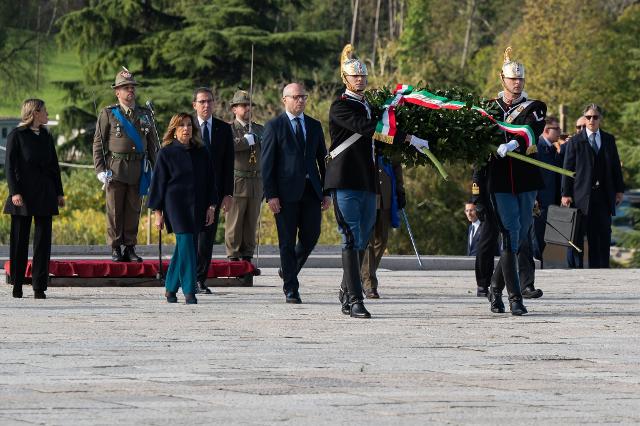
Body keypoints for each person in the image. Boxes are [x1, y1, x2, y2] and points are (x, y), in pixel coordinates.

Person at [325, 44, 428, 318]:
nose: (359, 79)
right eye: (354, 76)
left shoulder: (370, 107)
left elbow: (378, 143)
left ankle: (348, 291)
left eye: (362, 76)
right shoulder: (341, 106)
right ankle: (356, 299)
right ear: (345, 79)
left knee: (362, 238)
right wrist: (405, 137)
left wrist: (410, 142)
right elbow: (368, 130)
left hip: (368, 181)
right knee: (350, 237)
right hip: (346, 179)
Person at [485, 47, 547, 316]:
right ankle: (515, 297)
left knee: (519, 238)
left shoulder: (535, 107)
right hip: (499, 181)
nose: (517, 83)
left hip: (524, 180)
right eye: (512, 79)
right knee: (510, 235)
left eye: (520, 79)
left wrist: (514, 142)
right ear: (503, 80)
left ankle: (495, 289)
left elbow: (533, 129)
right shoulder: (489, 107)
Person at [261, 82, 330, 304]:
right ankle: (291, 287)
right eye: (296, 97)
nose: (300, 100)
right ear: (285, 100)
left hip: (311, 191)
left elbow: (323, 160)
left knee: (311, 236)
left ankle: (288, 269)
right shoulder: (274, 126)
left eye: (303, 96)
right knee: (287, 241)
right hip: (284, 194)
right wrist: (271, 194)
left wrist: (327, 191)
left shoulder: (314, 125)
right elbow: (267, 164)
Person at [148, 113, 216, 304]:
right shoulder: (166, 152)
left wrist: (211, 207)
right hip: (175, 206)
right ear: (174, 129)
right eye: (181, 126)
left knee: (184, 247)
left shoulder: (202, 152)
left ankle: (170, 288)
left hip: (198, 205)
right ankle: (189, 290)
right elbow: (158, 185)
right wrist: (158, 213)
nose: (186, 129)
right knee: (187, 243)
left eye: (189, 125)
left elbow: (211, 182)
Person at [93, 67, 157, 263]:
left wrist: (158, 171)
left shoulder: (146, 114)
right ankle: (115, 247)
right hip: (116, 168)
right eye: (125, 87)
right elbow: (98, 142)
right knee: (114, 210)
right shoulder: (109, 113)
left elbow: (153, 144)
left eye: (132, 87)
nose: (130, 90)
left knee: (133, 209)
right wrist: (100, 170)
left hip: (138, 168)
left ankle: (130, 246)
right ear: (117, 92)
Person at [4, 99, 64, 299]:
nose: (47, 113)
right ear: (35, 113)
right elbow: (10, 167)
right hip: (23, 194)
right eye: (45, 111)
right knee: (20, 240)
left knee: (42, 242)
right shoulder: (17, 135)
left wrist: (59, 193)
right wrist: (15, 192)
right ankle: (17, 284)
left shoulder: (46, 136)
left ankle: (39, 286)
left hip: (45, 194)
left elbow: (54, 166)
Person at [561, 104, 624, 268]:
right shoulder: (575, 141)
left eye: (595, 117)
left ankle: (601, 269)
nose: (591, 120)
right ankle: (577, 270)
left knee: (602, 235)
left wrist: (619, 190)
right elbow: (567, 169)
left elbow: (616, 166)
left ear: (599, 119)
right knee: (577, 237)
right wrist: (565, 193)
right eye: (588, 117)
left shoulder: (609, 139)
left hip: (603, 196)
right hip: (581, 196)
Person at [192, 87, 234, 294]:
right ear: (195, 105)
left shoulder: (223, 129)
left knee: (206, 238)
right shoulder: (186, 127)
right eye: (202, 102)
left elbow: (228, 164)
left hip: (213, 194)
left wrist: (228, 194)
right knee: (189, 237)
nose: (206, 105)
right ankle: (187, 277)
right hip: (189, 193)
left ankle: (200, 279)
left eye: (209, 101)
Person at [225, 90, 264, 284]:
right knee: (234, 224)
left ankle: (247, 261)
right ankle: (233, 259)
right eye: (243, 105)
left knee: (250, 225)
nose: (247, 108)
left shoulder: (259, 129)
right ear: (234, 109)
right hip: (237, 182)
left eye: (249, 105)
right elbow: (226, 148)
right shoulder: (229, 129)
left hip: (256, 182)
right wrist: (243, 141)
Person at [360, 155, 405, 299]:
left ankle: (365, 272)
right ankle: (369, 283)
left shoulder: (388, 136)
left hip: (386, 195)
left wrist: (400, 189)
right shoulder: (363, 133)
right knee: (369, 242)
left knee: (382, 240)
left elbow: (396, 165)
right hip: (366, 194)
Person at [532, 117, 563, 262]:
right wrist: (534, 198)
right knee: (536, 241)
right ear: (546, 130)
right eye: (557, 129)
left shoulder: (552, 149)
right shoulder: (536, 147)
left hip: (550, 203)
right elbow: (533, 174)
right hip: (539, 204)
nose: (560, 132)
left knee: (542, 242)